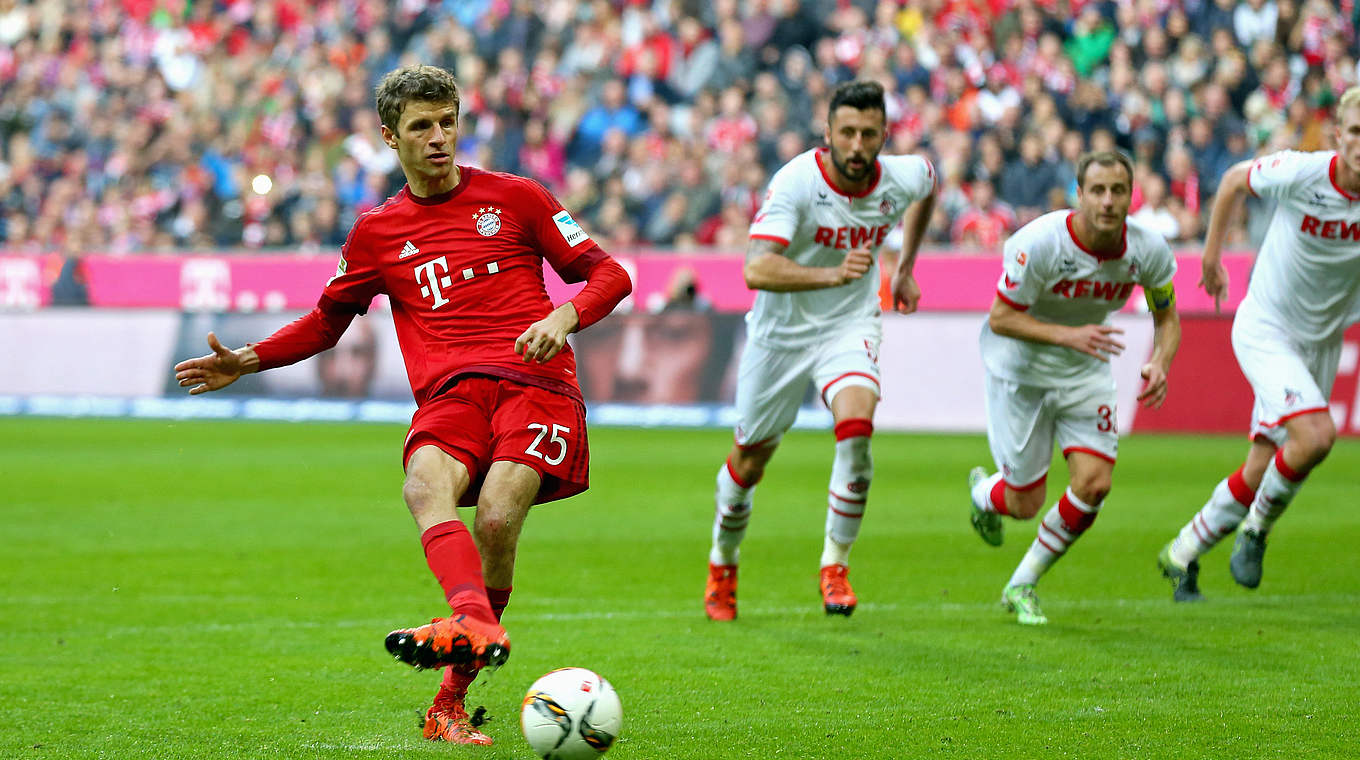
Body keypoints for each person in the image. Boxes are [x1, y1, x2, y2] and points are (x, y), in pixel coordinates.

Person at [173, 65, 631, 745]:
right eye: (422, 126)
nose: (440, 137)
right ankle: (473, 624)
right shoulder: (376, 233)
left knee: (500, 517)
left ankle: (452, 691)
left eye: (449, 121)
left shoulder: (519, 197)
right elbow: (326, 323)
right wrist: (249, 357)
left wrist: (562, 318)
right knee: (423, 485)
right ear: (391, 137)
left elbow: (610, 273)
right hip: (452, 394)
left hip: (537, 380)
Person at [703, 80, 938, 621]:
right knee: (749, 461)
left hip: (848, 326)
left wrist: (905, 268)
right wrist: (833, 272)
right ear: (828, 132)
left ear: (883, 136)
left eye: (869, 134)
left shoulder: (902, 176)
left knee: (857, 426)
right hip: (779, 337)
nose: (857, 145)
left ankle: (835, 565)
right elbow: (755, 269)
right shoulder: (796, 182)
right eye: (848, 132)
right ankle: (724, 561)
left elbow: (929, 186)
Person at [1157, 86, 1360, 601]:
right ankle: (1256, 531)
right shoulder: (1303, 172)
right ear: (1340, 135)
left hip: (1321, 341)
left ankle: (1180, 553)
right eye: (1357, 132)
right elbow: (1230, 182)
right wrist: (1210, 257)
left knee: (1261, 464)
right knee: (1315, 438)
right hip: (1267, 328)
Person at [965, 150, 1181, 626]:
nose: (1108, 201)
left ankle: (1022, 584)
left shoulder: (1148, 250)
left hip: (1084, 371)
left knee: (1095, 483)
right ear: (1078, 195)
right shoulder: (1039, 243)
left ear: (1130, 196)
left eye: (1118, 191)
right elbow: (1001, 318)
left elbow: (1167, 318)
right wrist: (1070, 335)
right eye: (1098, 191)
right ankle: (984, 495)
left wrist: (1160, 361)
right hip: (1020, 370)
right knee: (1024, 503)